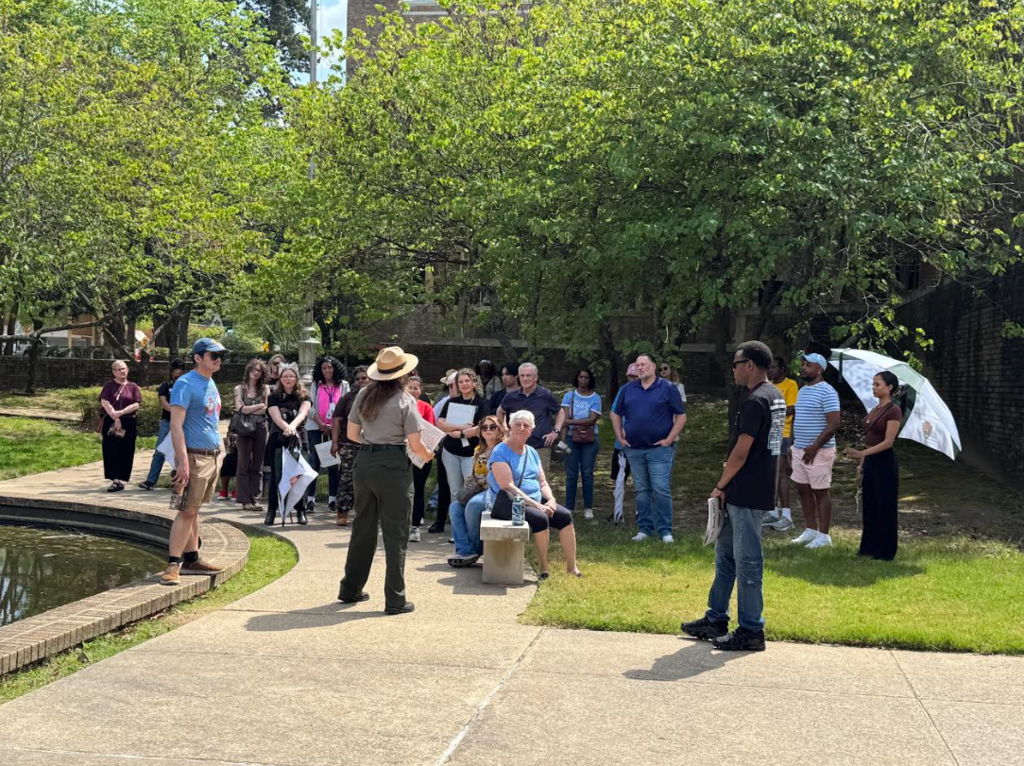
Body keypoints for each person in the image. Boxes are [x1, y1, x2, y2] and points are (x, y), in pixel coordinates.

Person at [681, 341, 785, 652]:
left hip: (746, 491)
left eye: (737, 363)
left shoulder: (756, 401)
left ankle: (752, 629)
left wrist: (720, 484)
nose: (734, 368)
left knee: (748, 561)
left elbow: (742, 451)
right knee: (725, 556)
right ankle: (716, 618)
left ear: (750, 365)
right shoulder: (775, 396)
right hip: (751, 486)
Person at [339, 346, 435, 615]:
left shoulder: (363, 395)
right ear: (404, 374)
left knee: (362, 529)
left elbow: (352, 433)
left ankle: (350, 588)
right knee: (395, 533)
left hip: (365, 463)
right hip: (394, 467)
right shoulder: (406, 401)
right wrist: (429, 454)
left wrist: (373, 441)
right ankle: (395, 598)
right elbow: (416, 446)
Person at [159, 338, 227, 585]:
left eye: (221, 356)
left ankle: (192, 558)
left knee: (194, 510)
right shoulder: (185, 383)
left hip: (211, 456)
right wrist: (183, 462)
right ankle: (173, 564)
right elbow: (176, 426)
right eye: (213, 355)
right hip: (193, 456)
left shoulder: (210, 382)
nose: (219, 359)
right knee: (186, 510)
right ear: (198, 357)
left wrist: (220, 451)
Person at [489, 410, 582, 579]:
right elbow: (507, 486)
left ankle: (572, 567)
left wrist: (551, 500)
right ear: (510, 427)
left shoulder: (531, 452)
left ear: (531, 430)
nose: (522, 428)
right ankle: (544, 568)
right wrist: (537, 505)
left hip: (536, 500)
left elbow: (542, 482)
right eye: (518, 424)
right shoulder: (500, 451)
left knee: (565, 516)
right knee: (541, 518)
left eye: (526, 426)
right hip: (512, 503)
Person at [611, 353, 686, 543]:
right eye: (637, 365)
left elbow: (681, 416)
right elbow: (615, 413)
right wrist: (619, 435)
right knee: (641, 489)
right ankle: (645, 528)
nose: (640, 368)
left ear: (653, 367)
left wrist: (669, 440)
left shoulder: (668, 388)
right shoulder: (628, 388)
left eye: (643, 364)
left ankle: (665, 531)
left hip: (659, 449)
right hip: (634, 448)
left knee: (661, 489)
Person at [846, 371, 903, 560]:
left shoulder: (894, 410)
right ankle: (868, 547)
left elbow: (888, 442)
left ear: (889, 388)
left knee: (884, 506)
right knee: (870, 505)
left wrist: (862, 454)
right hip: (870, 461)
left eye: (878, 384)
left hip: (884, 462)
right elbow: (869, 440)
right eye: (873, 384)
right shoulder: (875, 409)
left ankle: (885, 550)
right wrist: (861, 465)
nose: (874, 387)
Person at [790, 352, 841, 549]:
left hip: (819, 451)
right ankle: (810, 530)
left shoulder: (827, 391)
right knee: (802, 489)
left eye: (807, 365)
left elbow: (834, 423)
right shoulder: (802, 390)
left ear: (818, 369)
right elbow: (798, 418)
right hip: (800, 449)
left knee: (820, 491)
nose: (803, 367)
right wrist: (793, 445)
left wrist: (815, 446)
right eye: (802, 364)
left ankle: (824, 536)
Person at [447, 414, 504, 567]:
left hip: (496, 491)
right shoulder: (478, 450)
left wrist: (481, 483)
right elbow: (474, 473)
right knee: (454, 507)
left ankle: (475, 550)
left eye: (492, 427)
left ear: (500, 430)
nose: (488, 430)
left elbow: (499, 477)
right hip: (478, 490)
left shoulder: (504, 449)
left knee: (473, 505)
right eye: (484, 427)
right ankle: (465, 550)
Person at [436, 368, 488, 532]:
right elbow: (441, 424)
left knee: (470, 491)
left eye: (467, 381)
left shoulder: (482, 403)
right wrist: (460, 429)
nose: (464, 384)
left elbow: (481, 428)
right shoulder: (452, 402)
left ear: (474, 382)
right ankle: (457, 530)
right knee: (455, 492)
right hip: (450, 452)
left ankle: (470, 528)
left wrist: (461, 433)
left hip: (472, 453)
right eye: (460, 382)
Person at [264, 363, 312, 526]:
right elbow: (275, 416)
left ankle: (300, 510)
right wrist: (286, 427)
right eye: (285, 376)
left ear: (296, 377)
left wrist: (292, 427)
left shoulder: (304, 395)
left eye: (291, 376)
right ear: (280, 378)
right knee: (277, 476)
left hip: (298, 436)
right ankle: (272, 510)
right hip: (278, 437)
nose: (288, 379)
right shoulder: (273, 395)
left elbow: (303, 412)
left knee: (298, 476)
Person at [496, 362, 564, 475]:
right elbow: (500, 411)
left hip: (540, 446)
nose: (525, 379)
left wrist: (555, 431)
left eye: (529, 375)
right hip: (515, 447)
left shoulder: (545, 395)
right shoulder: (511, 396)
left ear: (536, 377)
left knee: (539, 483)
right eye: (522, 375)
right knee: (516, 482)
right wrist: (504, 429)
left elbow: (560, 412)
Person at [305, 355, 346, 514]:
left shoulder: (343, 385)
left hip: (336, 428)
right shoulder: (316, 384)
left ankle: (333, 500)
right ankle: (310, 500)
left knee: (333, 464)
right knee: (314, 463)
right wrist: (321, 424)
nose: (327, 370)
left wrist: (333, 425)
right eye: (324, 368)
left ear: (335, 368)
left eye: (330, 367)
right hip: (316, 427)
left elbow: (345, 406)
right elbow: (310, 406)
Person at [330, 365, 370, 526]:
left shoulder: (377, 396)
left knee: (369, 479)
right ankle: (342, 512)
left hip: (371, 444)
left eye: (364, 378)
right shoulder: (348, 397)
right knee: (347, 478)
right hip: (348, 443)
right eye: (358, 378)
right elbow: (336, 420)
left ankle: (366, 513)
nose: (361, 381)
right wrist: (334, 443)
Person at [560, 368, 602, 520]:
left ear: (590, 379)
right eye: (581, 377)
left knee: (587, 473)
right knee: (571, 475)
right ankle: (569, 507)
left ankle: (588, 508)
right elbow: (562, 420)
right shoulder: (569, 396)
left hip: (590, 439)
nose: (583, 380)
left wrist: (570, 421)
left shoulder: (596, 398)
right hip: (571, 438)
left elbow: (592, 420)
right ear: (577, 378)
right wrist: (562, 441)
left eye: (586, 377)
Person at [762, 357, 798, 531]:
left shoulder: (790, 385)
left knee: (781, 473)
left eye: (774, 367)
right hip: (768, 433)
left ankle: (787, 515)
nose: (771, 371)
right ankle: (773, 511)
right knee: (770, 474)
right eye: (769, 368)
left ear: (782, 368)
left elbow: (792, 408)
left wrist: (770, 409)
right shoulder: (768, 386)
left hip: (782, 433)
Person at [139, 358, 185, 490]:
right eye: (175, 376)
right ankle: (151, 480)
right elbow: (163, 401)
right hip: (167, 422)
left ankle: (179, 477)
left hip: (184, 423)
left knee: (182, 451)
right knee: (160, 450)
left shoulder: (187, 386)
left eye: (180, 376)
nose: (177, 379)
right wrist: (175, 411)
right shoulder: (166, 386)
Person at [233, 358, 270, 512]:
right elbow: (240, 408)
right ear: (248, 370)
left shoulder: (265, 388)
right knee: (244, 462)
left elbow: (265, 409)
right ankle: (244, 499)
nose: (256, 372)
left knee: (258, 463)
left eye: (259, 370)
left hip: (261, 426)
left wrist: (251, 408)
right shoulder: (239, 388)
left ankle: (255, 498)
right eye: (253, 369)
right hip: (244, 427)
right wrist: (258, 405)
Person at [99, 360, 142, 492]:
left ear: (127, 370)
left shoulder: (133, 386)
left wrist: (122, 412)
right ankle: (115, 480)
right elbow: (104, 401)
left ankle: (122, 478)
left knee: (126, 450)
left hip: (129, 422)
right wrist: (116, 417)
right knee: (112, 449)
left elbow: (136, 404)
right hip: (112, 422)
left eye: (123, 368)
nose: (121, 371)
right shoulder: (108, 386)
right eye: (118, 369)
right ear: (113, 372)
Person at [427, 370, 460, 533]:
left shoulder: (474, 402)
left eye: (453, 385)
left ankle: (458, 524)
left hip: (468, 450)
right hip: (445, 448)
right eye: (449, 386)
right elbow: (434, 424)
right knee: (443, 485)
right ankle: (439, 521)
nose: (451, 389)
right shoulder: (444, 403)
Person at [607, 363, 639, 524]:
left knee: (641, 480)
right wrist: (620, 433)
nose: (632, 379)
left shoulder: (648, 392)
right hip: (622, 445)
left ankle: (642, 514)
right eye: (630, 376)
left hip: (642, 445)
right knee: (619, 479)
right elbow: (614, 413)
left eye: (635, 376)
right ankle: (617, 513)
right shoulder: (623, 391)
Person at [405, 375, 435, 542]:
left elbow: (430, 429)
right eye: (410, 387)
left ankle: (415, 526)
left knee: (417, 489)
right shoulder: (399, 405)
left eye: (416, 388)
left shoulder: (425, 407)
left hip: (420, 452)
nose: (413, 390)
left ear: (421, 390)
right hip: (401, 454)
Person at [217, 431, 238, 501]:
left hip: (245, 445)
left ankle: (236, 490)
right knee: (227, 460)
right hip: (231, 450)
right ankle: (224, 490)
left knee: (240, 462)